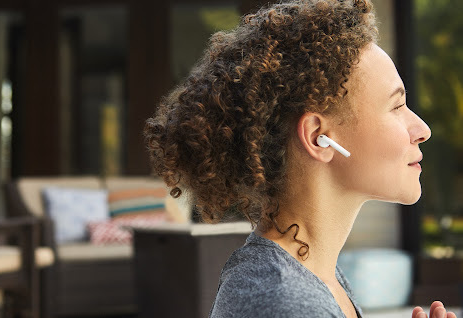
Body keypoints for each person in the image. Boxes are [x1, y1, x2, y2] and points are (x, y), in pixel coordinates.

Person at [145, 0, 457, 317]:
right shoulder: (287, 301)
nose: (422, 129)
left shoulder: (314, 274)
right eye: (396, 106)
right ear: (318, 138)